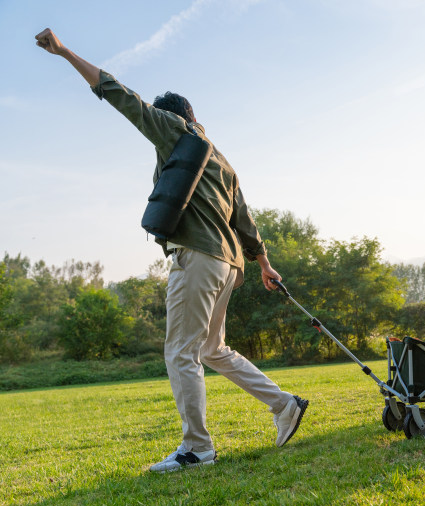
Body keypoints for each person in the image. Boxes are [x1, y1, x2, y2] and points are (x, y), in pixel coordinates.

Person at [35, 28, 309, 472]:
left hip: (198, 259)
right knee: (211, 350)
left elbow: (126, 100)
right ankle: (284, 405)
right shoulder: (221, 159)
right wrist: (263, 262)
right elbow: (245, 217)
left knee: (181, 351)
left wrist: (65, 52)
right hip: (230, 265)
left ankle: (196, 448)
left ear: (176, 118)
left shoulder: (175, 131)